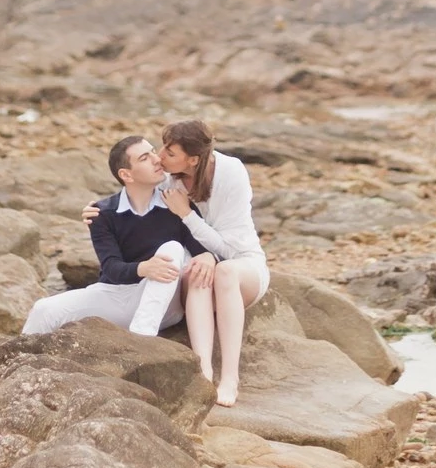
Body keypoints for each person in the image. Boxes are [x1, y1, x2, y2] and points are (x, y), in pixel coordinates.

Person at [85, 119, 268, 406]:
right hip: (199, 274)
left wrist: (188, 216)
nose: (159, 156)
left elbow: (230, 249)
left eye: (169, 152)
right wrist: (96, 209)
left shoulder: (230, 172)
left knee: (225, 271)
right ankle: (204, 371)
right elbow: (133, 194)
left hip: (241, 266)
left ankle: (230, 378)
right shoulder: (169, 179)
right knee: (196, 270)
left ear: (193, 159)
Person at [22, 134, 215, 339]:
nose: (156, 159)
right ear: (127, 175)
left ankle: (143, 337)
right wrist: (144, 268)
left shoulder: (176, 203)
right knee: (44, 308)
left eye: (152, 151)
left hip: (163, 300)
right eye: (144, 158)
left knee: (172, 248)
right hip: (115, 295)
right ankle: (11, 363)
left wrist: (207, 255)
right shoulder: (102, 213)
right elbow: (111, 268)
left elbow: (200, 250)